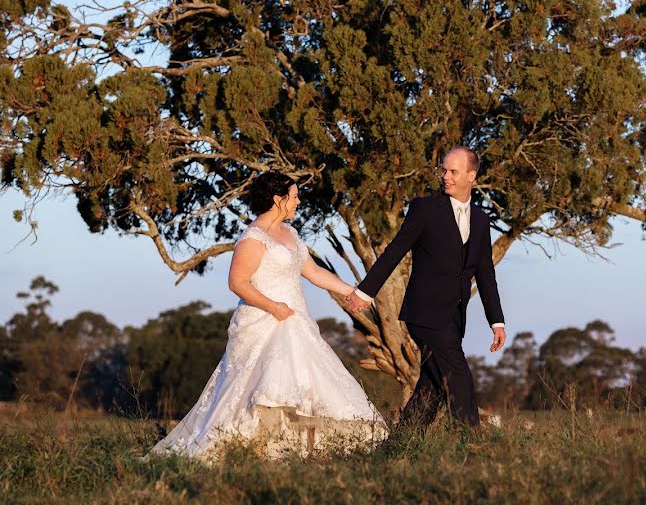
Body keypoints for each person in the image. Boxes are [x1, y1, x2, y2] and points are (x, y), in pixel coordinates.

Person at [148, 172, 386, 460]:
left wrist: (353, 291)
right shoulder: (254, 237)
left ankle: (300, 452)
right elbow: (238, 282)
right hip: (264, 320)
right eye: (294, 196)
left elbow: (313, 272)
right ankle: (249, 450)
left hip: (295, 319)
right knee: (258, 386)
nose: (298, 201)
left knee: (304, 382)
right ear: (278, 199)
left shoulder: (291, 234)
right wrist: (273, 307)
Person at [346, 146, 506, 428]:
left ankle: (401, 445)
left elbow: (485, 274)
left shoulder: (481, 220)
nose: (446, 176)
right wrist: (364, 291)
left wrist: (497, 321)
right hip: (424, 313)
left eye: (453, 171)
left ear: (471, 175)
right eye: (444, 170)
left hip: (454, 317)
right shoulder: (425, 208)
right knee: (458, 372)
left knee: (430, 387)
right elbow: (395, 250)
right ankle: (471, 442)